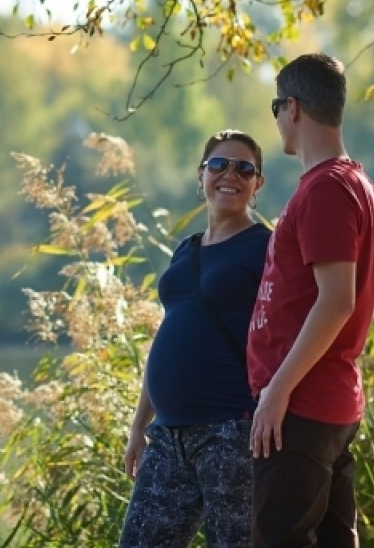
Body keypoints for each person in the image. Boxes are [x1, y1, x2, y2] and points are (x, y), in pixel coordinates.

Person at [247, 53, 374, 548]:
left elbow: (336, 302)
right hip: (323, 400)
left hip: (303, 404)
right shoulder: (351, 183)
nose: (277, 119)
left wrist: (278, 390)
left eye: (275, 107)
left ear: (294, 108)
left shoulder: (327, 188)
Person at [119, 130, 272, 548]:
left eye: (245, 168)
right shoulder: (186, 249)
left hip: (230, 431)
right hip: (169, 435)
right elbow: (168, 335)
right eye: (219, 164)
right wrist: (139, 426)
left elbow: (286, 332)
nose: (231, 175)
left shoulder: (267, 248)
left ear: (258, 184)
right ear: (200, 175)